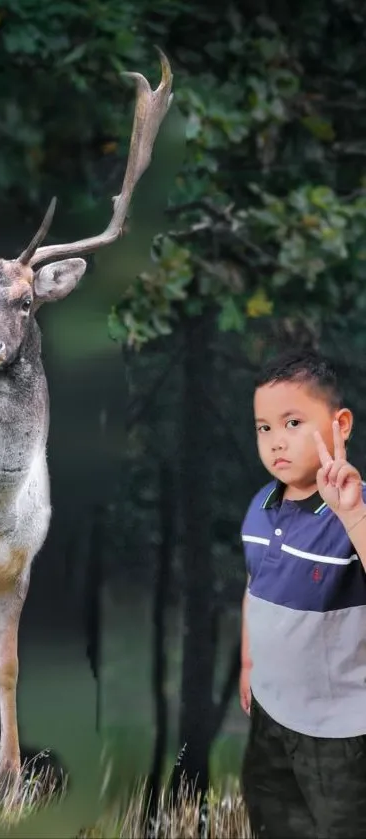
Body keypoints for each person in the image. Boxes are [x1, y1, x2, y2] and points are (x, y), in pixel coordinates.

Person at [239, 348, 366, 838]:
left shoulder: (354, 509)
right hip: (272, 717)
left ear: (342, 424)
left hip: (338, 732)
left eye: (292, 422)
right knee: (273, 819)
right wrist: (250, 664)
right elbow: (256, 587)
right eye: (264, 428)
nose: (275, 442)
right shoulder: (260, 506)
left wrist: (352, 514)